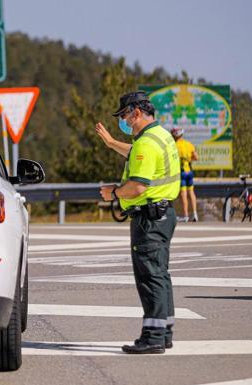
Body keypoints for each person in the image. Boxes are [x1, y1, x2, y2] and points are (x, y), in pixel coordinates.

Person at [95, 91, 180, 354]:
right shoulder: (160, 136)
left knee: (150, 277)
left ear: (137, 113)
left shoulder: (146, 143)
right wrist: (111, 143)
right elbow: (134, 151)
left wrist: (114, 193)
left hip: (149, 219)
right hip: (164, 215)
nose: (124, 121)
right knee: (160, 275)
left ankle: (153, 337)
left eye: (125, 116)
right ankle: (164, 331)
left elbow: (138, 187)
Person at [171, 127, 199, 222]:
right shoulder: (189, 144)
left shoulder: (174, 145)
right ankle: (195, 214)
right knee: (191, 192)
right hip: (189, 172)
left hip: (180, 172)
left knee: (183, 194)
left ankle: (186, 215)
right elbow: (196, 157)